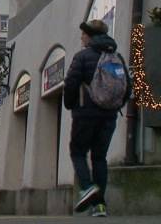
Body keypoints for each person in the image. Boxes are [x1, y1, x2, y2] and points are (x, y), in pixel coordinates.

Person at [64, 19, 131, 217]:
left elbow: (71, 84)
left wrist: (70, 104)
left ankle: (87, 187)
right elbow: (127, 86)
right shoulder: (116, 56)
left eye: (84, 34)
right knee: (99, 157)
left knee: (77, 152)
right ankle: (100, 206)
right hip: (109, 116)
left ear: (91, 36)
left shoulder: (82, 57)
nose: (81, 37)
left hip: (85, 114)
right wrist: (116, 105)